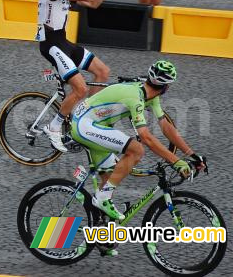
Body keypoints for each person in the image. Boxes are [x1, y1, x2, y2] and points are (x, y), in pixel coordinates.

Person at [70, 60, 206, 223]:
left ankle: (103, 238)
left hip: (94, 124)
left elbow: (165, 126)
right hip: (84, 125)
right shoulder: (135, 98)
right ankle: (101, 199)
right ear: (167, 87)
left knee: (110, 180)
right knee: (136, 150)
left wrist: (191, 154)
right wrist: (176, 162)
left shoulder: (149, 94)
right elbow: (146, 138)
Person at [38, 0, 120, 152]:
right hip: (51, 45)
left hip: (64, 43)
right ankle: (54, 127)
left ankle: (87, 119)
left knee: (102, 72)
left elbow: (93, 2)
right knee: (81, 89)